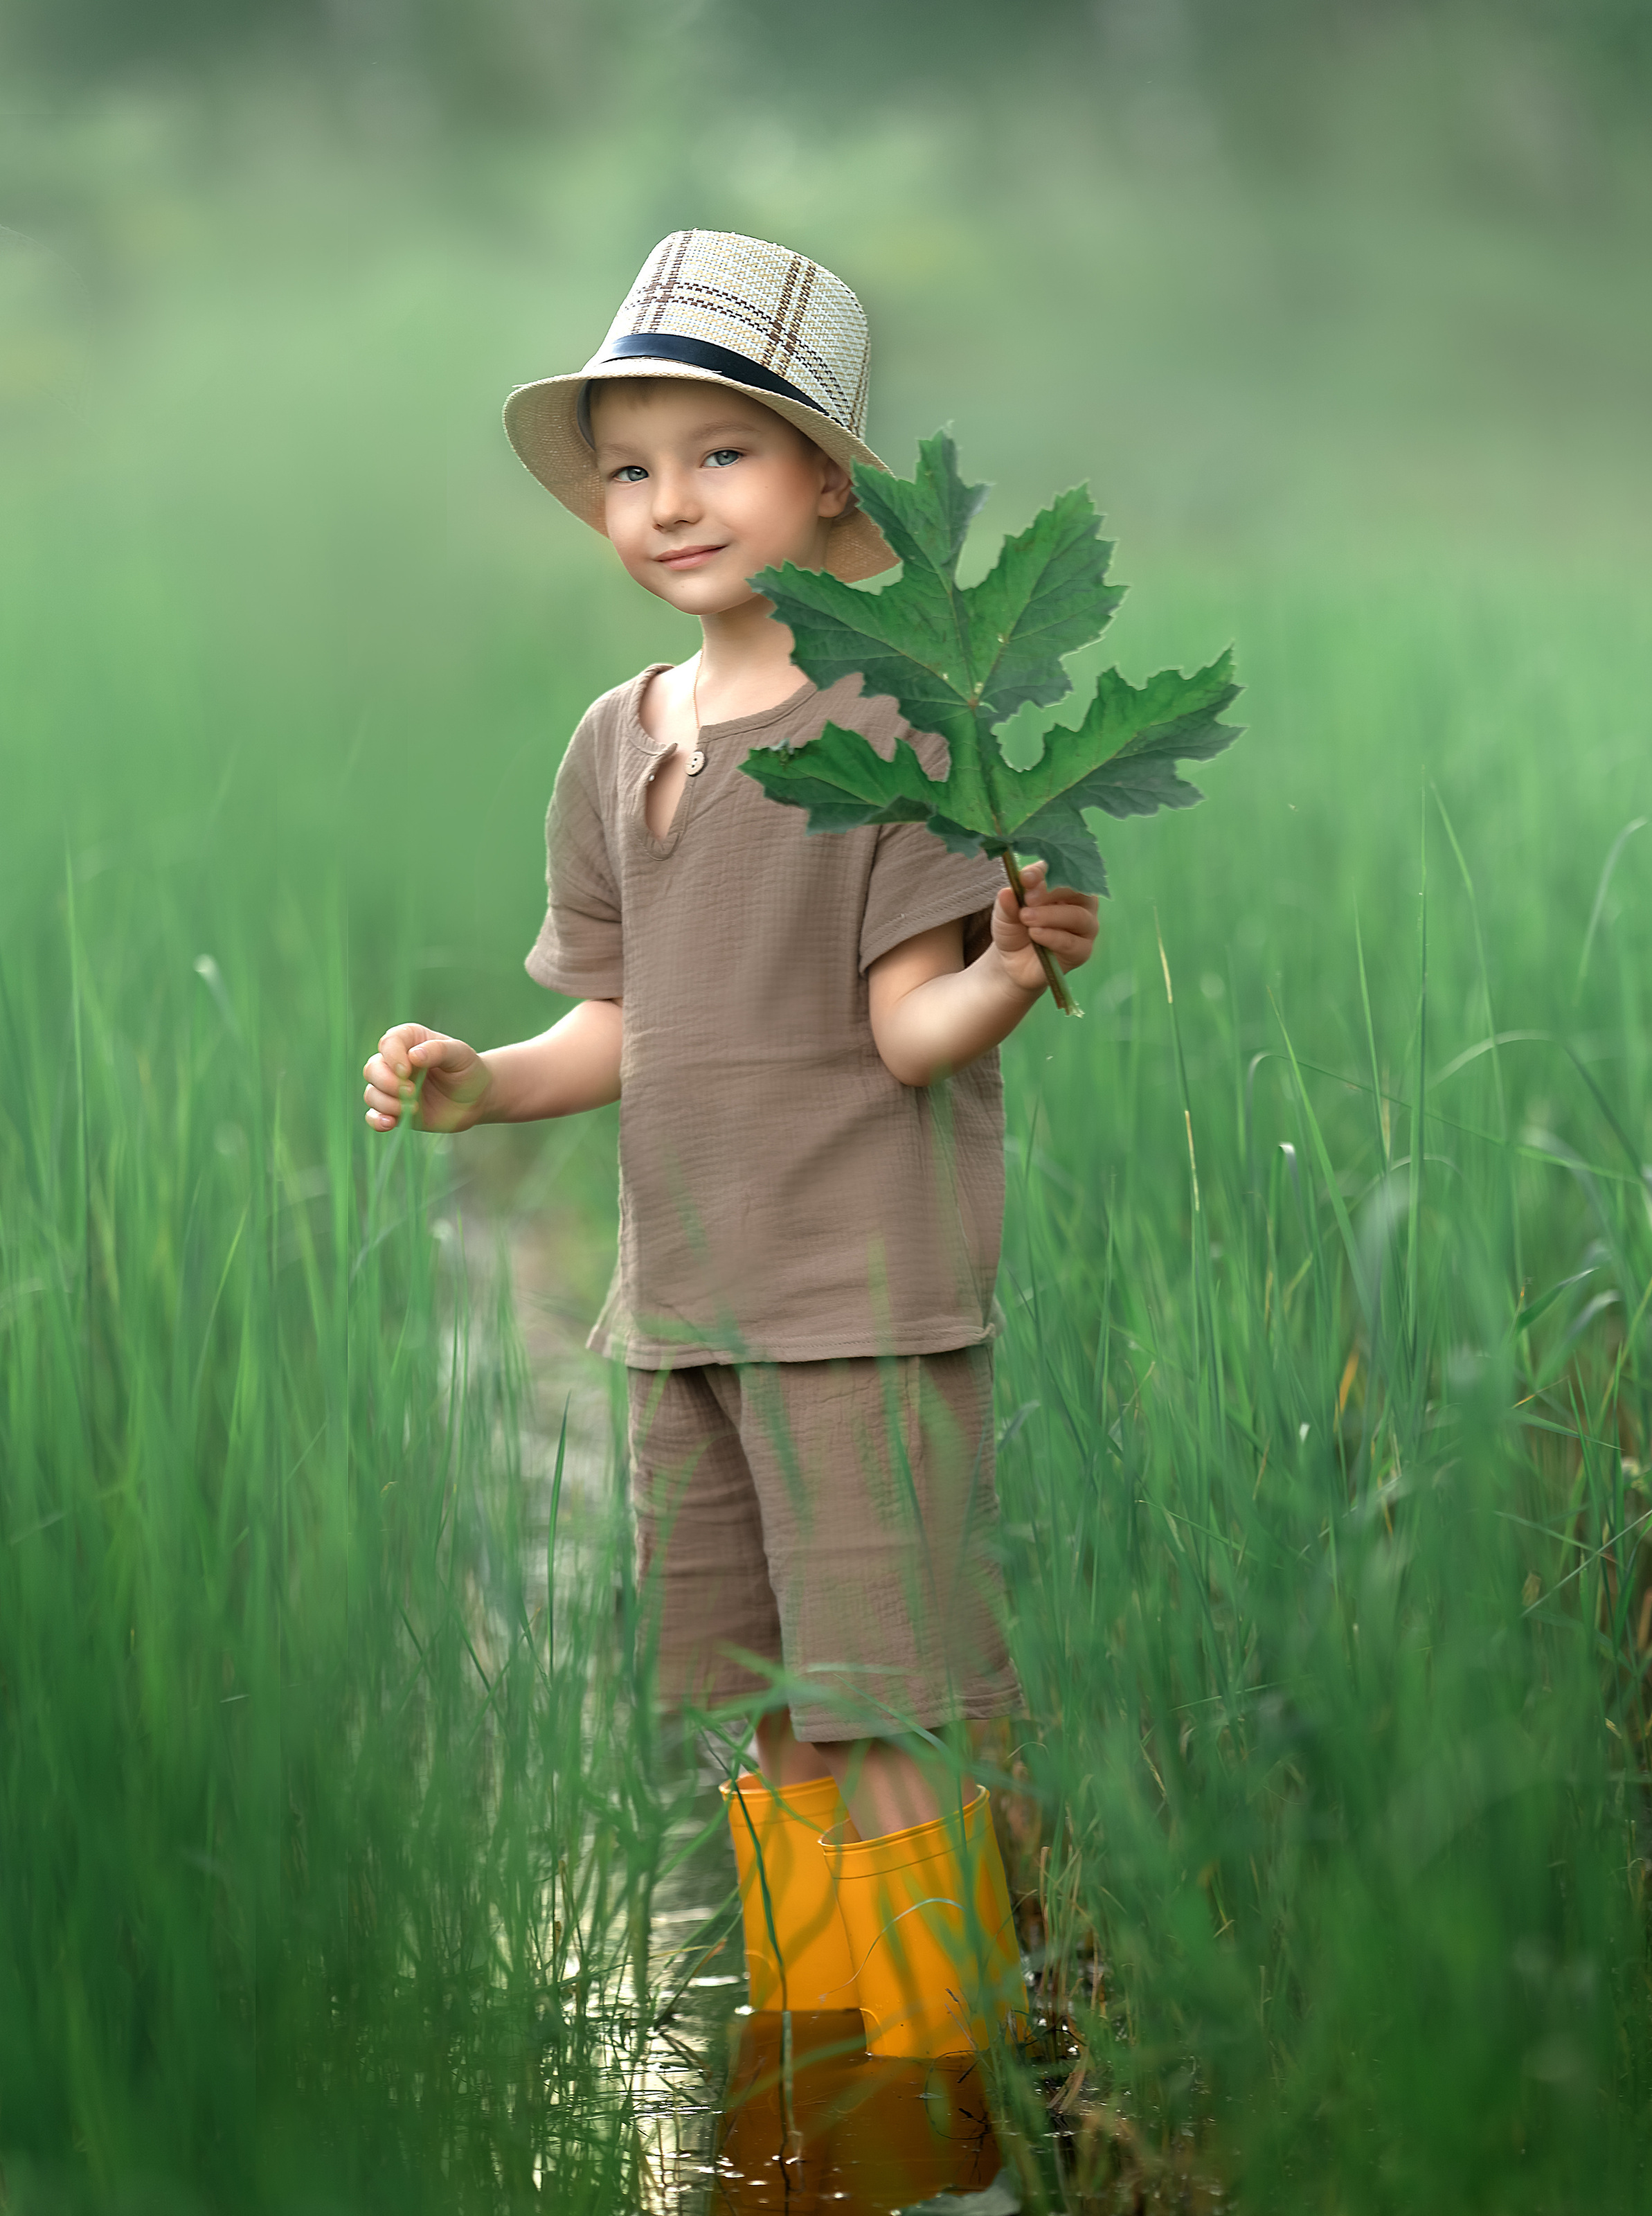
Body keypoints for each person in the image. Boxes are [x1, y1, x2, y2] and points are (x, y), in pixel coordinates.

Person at [361, 231, 1098, 2056]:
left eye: (720, 456)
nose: (667, 504)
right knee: (766, 1701)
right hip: (684, 1312)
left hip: (857, 1305)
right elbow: (622, 1024)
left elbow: (902, 1032)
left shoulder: (894, 725)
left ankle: (933, 2079)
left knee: (887, 1705)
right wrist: (483, 1083)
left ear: (825, 474)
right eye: (630, 469)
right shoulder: (620, 742)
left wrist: (1006, 965)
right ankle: (815, 2061)